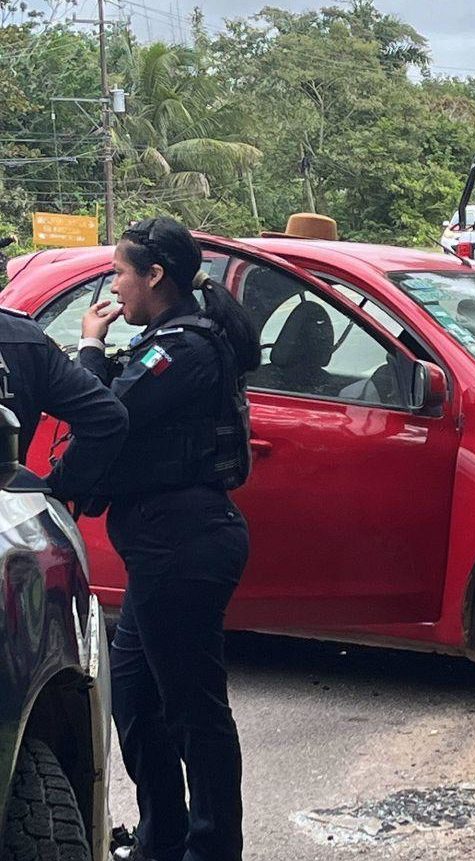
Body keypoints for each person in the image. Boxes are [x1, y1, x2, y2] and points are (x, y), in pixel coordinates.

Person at [77, 216, 260, 861]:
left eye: (121, 273)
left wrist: (91, 349)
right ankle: (164, 836)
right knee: (133, 698)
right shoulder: (165, 339)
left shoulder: (180, 348)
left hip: (185, 546)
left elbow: (106, 415)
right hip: (161, 548)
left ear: (155, 276)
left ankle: (211, 849)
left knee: (193, 708)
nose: (114, 287)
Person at [0, 299, 128, 499]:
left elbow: (105, 415)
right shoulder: (22, 335)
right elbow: (106, 416)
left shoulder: (22, 335)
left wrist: (50, 491)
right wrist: (51, 492)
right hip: (9, 514)